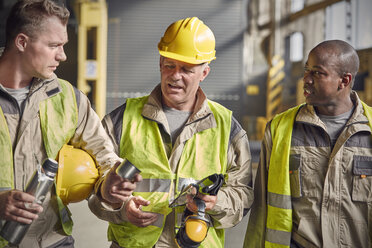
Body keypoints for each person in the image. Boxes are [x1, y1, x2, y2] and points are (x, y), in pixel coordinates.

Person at [88, 17, 253, 248]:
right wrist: (121, 207)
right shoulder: (121, 119)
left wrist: (216, 202)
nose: (175, 76)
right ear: (160, 63)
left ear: (204, 72)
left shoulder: (228, 127)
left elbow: (243, 196)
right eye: (169, 65)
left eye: (186, 69)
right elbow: (92, 185)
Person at [0, 1, 140, 247]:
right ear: (22, 42)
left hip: (53, 241)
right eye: (54, 45)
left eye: (63, 45)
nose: (63, 56)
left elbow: (104, 157)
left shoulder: (67, 97)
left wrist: (110, 187)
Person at [244, 39, 372, 248]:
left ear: (344, 80)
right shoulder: (280, 129)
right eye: (306, 70)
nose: (306, 79)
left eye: (317, 73)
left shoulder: (369, 130)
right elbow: (261, 212)